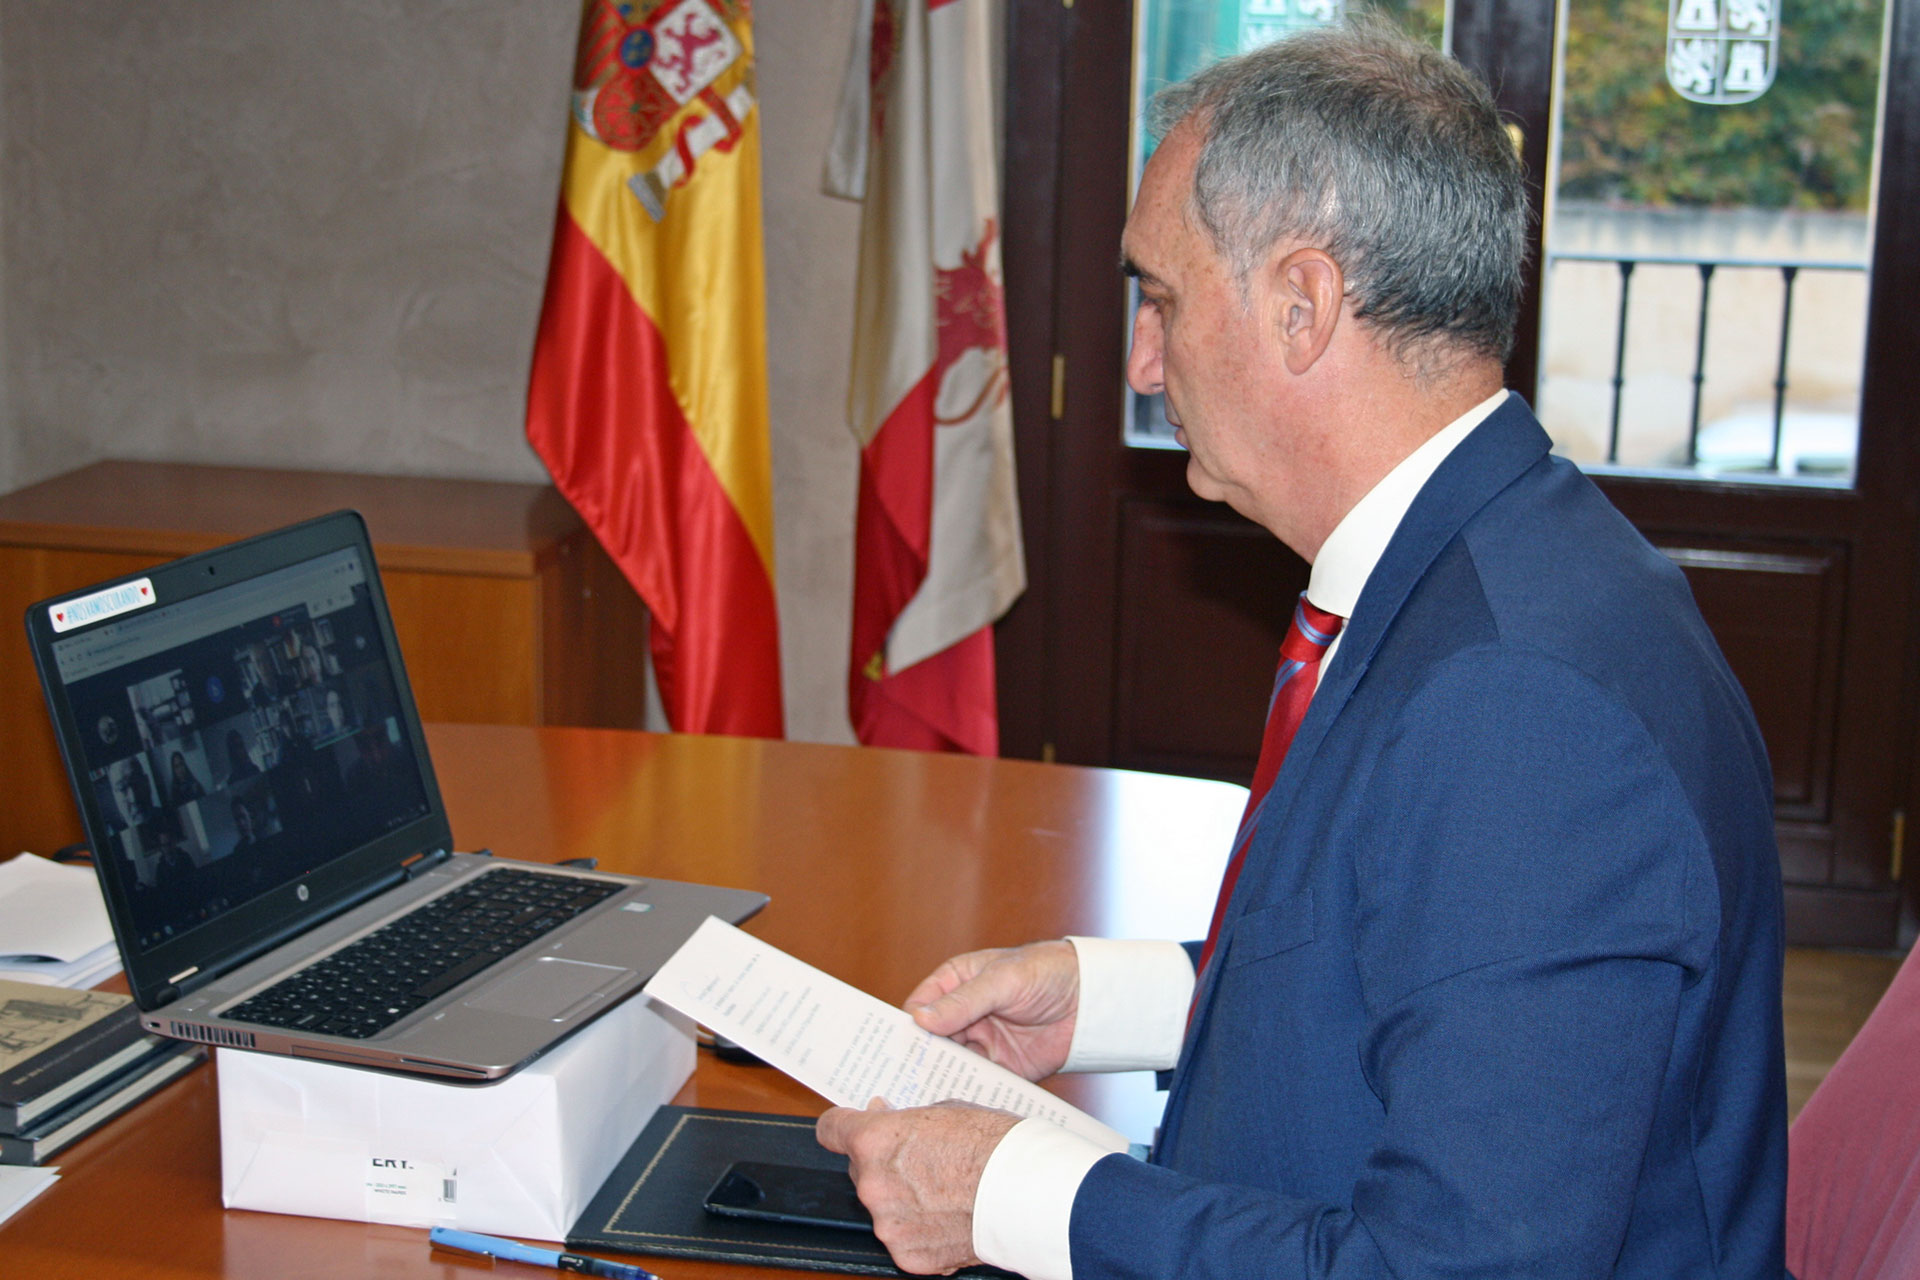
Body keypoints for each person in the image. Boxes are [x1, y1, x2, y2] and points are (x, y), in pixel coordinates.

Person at [816, 20, 1785, 1280]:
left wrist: (1016, 1199)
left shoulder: (1522, 701)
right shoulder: (1481, 561)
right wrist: (1104, 998)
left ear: (1303, 301)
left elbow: (1458, 1269)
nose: (1145, 363)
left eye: (1160, 297)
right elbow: (1427, 965)